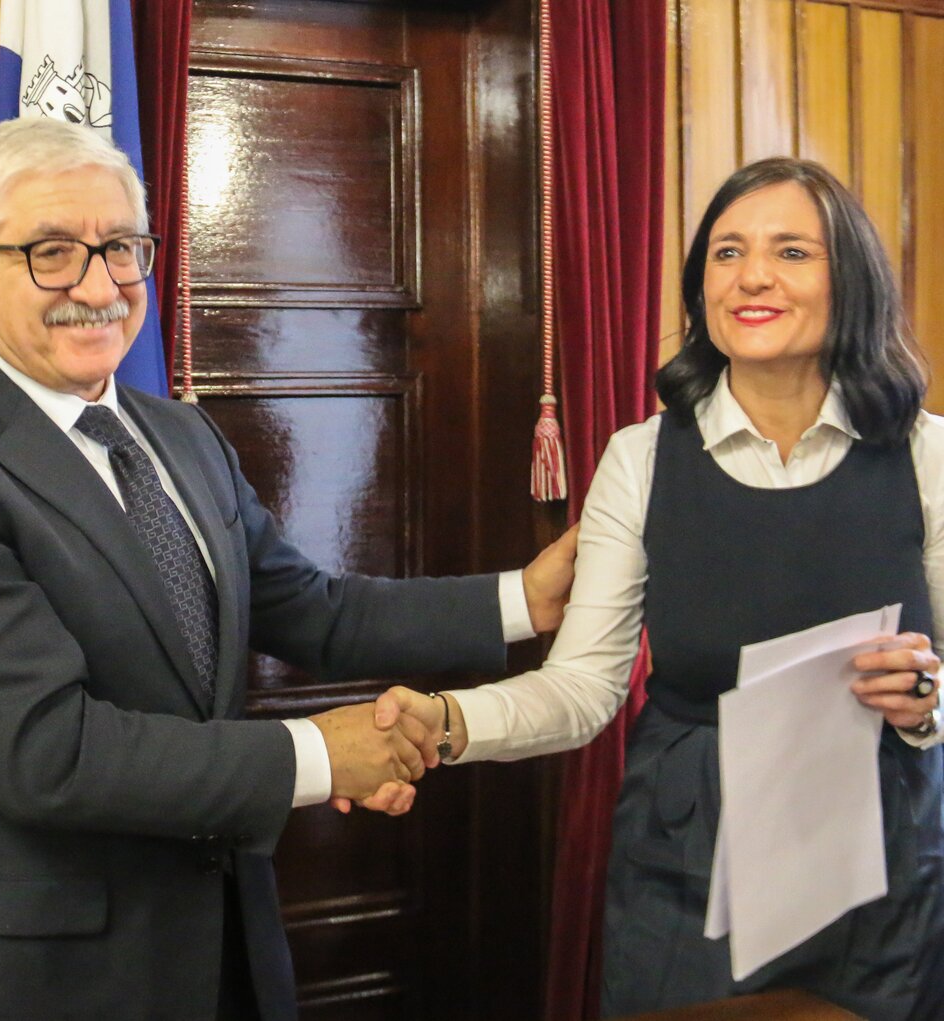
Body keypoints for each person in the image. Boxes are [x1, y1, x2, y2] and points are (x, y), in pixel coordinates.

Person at [0, 117, 576, 1021]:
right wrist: (320, 755)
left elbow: (311, 609)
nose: (99, 286)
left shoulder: (180, 434)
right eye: (52, 253)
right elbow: (51, 752)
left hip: (228, 947)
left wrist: (524, 599)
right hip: (58, 978)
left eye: (120, 247)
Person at [376, 157, 944, 1020]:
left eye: (792, 251)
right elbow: (581, 689)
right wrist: (446, 721)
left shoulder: (927, 455)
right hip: (688, 850)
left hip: (882, 846)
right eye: (727, 252)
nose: (752, 276)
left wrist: (928, 701)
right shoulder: (640, 458)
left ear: (852, 280)